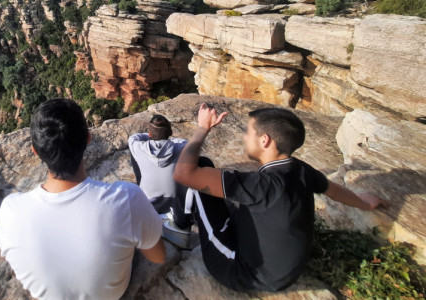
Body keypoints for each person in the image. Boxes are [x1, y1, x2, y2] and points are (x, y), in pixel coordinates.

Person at [164, 103, 389, 292]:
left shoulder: (261, 185)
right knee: (210, 177)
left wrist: (203, 127)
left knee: (196, 175)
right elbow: (334, 190)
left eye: (247, 132)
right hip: (284, 274)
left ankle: (178, 228)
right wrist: (364, 202)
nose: (243, 137)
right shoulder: (301, 169)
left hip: (241, 272)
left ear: (265, 140)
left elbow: (184, 174)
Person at [0, 98, 166, 300]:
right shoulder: (125, 198)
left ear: (35, 150)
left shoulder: (11, 211)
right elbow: (158, 257)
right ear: (88, 138)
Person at [128, 114, 188, 214]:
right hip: (175, 202)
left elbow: (133, 137)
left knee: (134, 154)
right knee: (188, 158)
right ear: (170, 133)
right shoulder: (180, 148)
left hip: (147, 202)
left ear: (150, 134)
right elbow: (185, 142)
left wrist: (152, 134)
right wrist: (167, 138)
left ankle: (142, 184)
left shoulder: (139, 147)